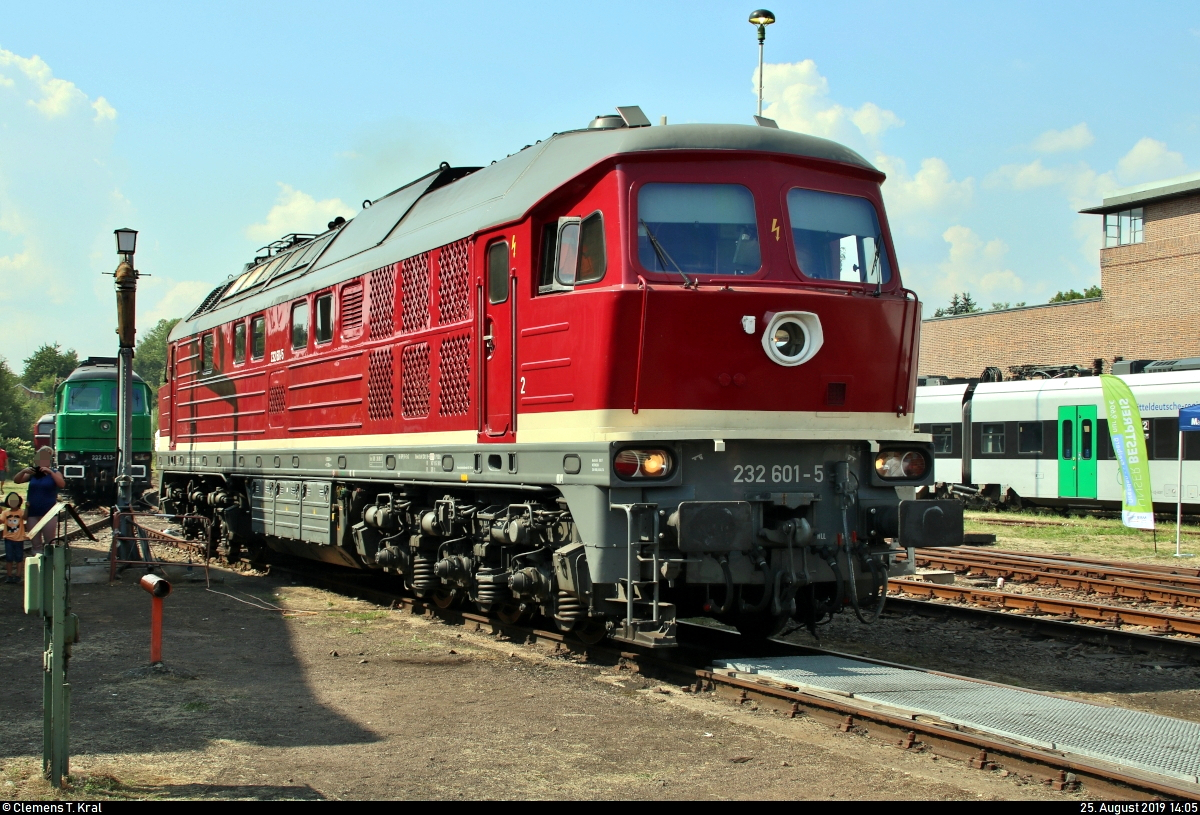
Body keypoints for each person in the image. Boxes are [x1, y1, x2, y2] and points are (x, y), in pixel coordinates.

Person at [14, 447, 65, 556]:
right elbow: (17, 480)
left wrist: (50, 472)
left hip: (49, 512)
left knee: (49, 543)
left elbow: (61, 484)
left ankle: (50, 563)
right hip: (33, 511)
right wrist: (23, 471)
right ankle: (37, 562)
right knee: (36, 544)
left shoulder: (55, 473)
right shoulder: (33, 473)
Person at [2, 492, 26, 584]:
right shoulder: (5, 513)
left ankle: (18, 576)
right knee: (9, 558)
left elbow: (25, 517)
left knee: (19, 558)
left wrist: (27, 508)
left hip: (19, 539)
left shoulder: (21, 512)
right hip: (8, 539)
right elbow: (1, 520)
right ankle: (9, 576)